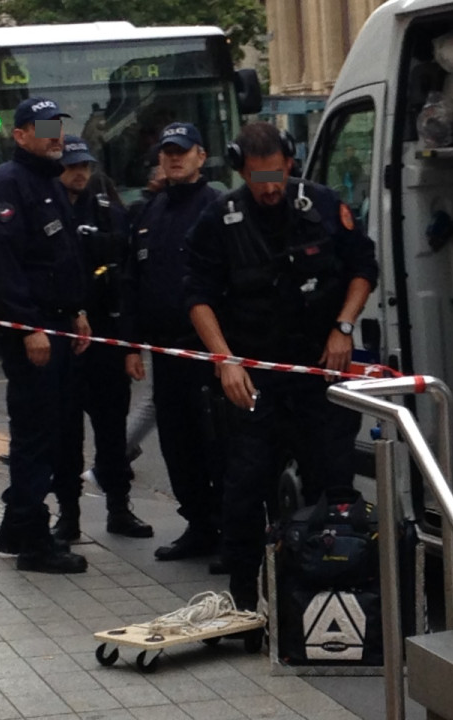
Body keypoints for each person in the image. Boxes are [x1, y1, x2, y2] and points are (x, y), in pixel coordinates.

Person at [185, 121, 378, 609]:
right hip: (253, 377)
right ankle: (246, 600)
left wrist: (345, 328)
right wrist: (225, 361)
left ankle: (327, 592)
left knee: (331, 484)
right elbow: (197, 297)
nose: (269, 187)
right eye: (256, 176)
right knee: (247, 485)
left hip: (319, 375)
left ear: (290, 163)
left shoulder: (324, 206)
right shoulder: (218, 218)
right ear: (240, 171)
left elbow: (363, 269)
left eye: (276, 173)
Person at [0, 97, 90, 574]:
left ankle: (16, 525)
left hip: (60, 322)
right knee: (36, 436)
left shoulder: (48, 182)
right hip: (35, 329)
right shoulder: (6, 184)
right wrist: (29, 326)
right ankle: (32, 540)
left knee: (55, 430)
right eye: (43, 127)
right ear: (19, 134)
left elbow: (61, 255)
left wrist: (78, 310)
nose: (55, 135)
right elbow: (3, 266)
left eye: (58, 126)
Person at [122, 122, 223, 561]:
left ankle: (230, 534)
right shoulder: (150, 211)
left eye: (182, 151)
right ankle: (198, 525)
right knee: (178, 447)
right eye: (167, 152)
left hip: (207, 352)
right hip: (165, 353)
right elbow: (132, 279)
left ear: (201, 156)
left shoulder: (218, 206)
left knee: (215, 444)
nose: (174, 158)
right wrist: (131, 344)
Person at [51, 136, 152, 541]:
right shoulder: (46, 208)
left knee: (112, 434)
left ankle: (119, 508)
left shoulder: (110, 211)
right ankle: (68, 515)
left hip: (106, 344)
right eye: (71, 165)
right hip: (65, 342)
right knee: (66, 435)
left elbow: (127, 284)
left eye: (85, 165)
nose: (79, 172)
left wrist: (131, 347)